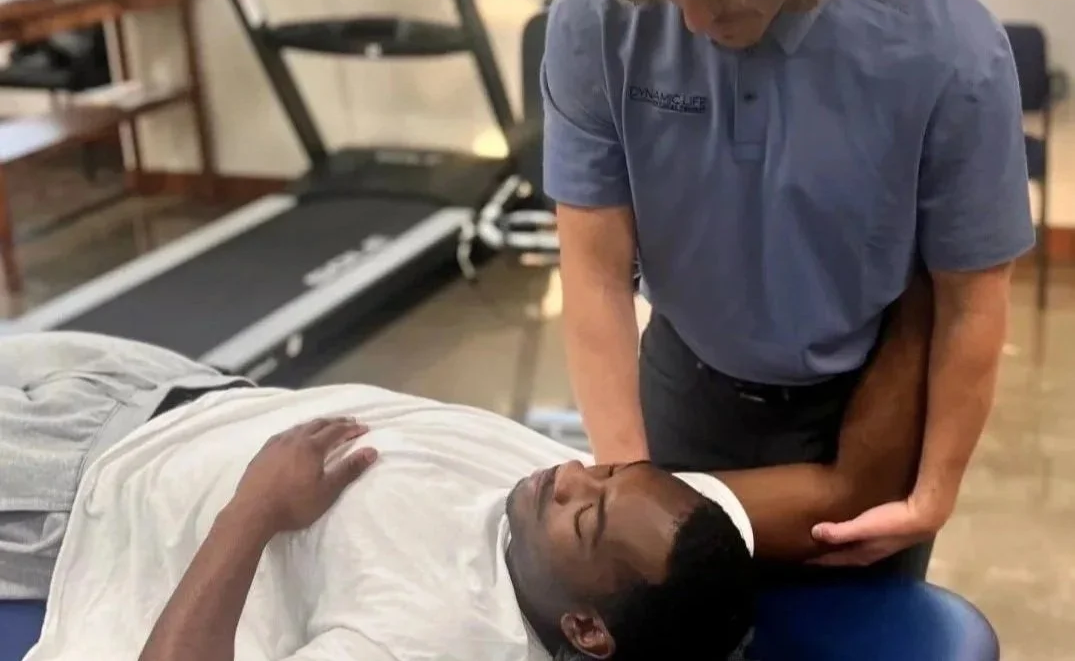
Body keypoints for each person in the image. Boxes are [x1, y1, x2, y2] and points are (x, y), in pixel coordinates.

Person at [544, 0, 1033, 581]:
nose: (694, 18)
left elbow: (969, 304)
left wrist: (935, 490)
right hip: (680, 382)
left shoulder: (949, 52)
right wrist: (625, 485)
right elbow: (592, 270)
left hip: (856, 402)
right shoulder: (595, 21)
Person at [9, 280, 929, 661]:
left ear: (585, 630)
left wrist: (255, 509)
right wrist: (927, 285)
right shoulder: (663, 524)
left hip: (77, 491)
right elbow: (850, 491)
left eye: (585, 518)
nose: (569, 481)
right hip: (170, 385)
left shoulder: (438, 635)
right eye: (603, 473)